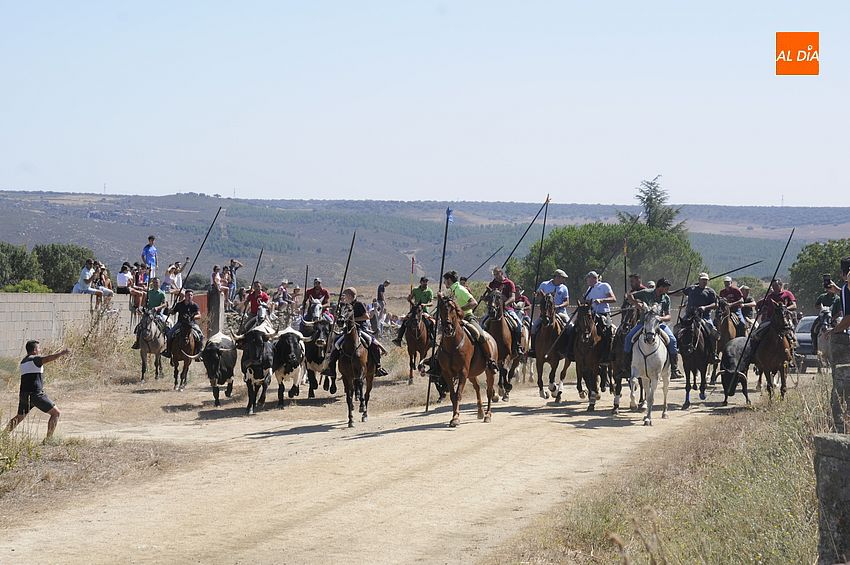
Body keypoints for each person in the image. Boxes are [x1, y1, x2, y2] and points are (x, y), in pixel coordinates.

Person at [5, 340, 69, 444]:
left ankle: (3, 435)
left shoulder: (23, 361)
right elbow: (48, 358)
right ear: (34, 350)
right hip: (36, 394)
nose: (40, 350)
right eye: (39, 348)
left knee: (19, 416)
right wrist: (61, 353)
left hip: (24, 394)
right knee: (56, 413)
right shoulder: (35, 359)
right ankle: (48, 440)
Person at [323, 287, 388, 378]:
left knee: (372, 343)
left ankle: (378, 366)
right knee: (336, 344)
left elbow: (366, 317)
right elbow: (340, 317)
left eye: (346, 295)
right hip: (347, 329)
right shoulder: (344, 305)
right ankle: (331, 369)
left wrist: (353, 320)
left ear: (351, 296)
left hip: (361, 328)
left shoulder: (359, 304)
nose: (345, 297)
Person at [625, 278, 681, 378]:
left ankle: (674, 368)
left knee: (672, 340)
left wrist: (661, 318)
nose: (667, 290)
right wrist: (636, 304)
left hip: (659, 325)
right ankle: (626, 367)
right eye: (666, 288)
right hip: (643, 323)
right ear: (661, 287)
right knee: (628, 338)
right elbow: (629, 295)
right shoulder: (646, 292)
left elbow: (669, 316)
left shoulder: (666, 298)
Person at [671, 272, 719, 360]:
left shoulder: (710, 291)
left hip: (704, 317)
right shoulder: (691, 289)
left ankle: (713, 353)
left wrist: (705, 307)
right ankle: (676, 348)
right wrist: (669, 293)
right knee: (677, 328)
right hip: (689, 316)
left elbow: (716, 305)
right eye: (703, 280)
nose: (705, 281)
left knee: (712, 331)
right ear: (699, 280)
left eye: (706, 280)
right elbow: (681, 293)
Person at [528, 269, 570, 357]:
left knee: (570, 327)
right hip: (546, 313)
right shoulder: (544, 284)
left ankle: (567, 349)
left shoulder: (564, 288)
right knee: (533, 327)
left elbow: (567, 302)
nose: (563, 280)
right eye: (562, 278)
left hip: (560, 312)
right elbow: (538, 294)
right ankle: (533, 349)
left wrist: (558, 306)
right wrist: (535, 295)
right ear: (556, 277)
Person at [482, 267, 523, 354]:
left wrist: (505, 304)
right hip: (494, 310)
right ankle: (482, 347)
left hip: (507, 309)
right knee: (482, 323)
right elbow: (490, 297)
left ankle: (517, 346)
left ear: (501, 273)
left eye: (497, 274)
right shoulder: (492, 283)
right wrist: (485, 298)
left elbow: (512, 297)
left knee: (518, 325)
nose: (495, 276)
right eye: (494, 274)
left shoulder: (509, 283)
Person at [749, 278, 798, 352]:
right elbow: (765, 307)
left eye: (775, 285)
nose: (774, 287)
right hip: (770, 319)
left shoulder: (787, 294)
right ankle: (754, 351)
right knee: (758, 332)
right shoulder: (769, 296)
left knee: (790, 333)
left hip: (784, 319)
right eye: (772, 286)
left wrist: (785, 308)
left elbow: (794, 306)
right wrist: (760, 311)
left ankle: (794, 351)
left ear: (780, 285)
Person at [583, 271, 617, 360]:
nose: (587, 280)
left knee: (608, 331)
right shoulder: (588, 290)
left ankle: (609, 354)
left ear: (594, 278)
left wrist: (601, 300)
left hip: (604, 313)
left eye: (588, 278)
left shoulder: (604, 286)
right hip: (592, 314)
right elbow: (586, 302)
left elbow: (613, 299)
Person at [392, 276, 435, 346]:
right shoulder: (415, 290)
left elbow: (432, 303)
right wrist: (409, 299)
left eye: (426, 282)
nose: (425, 283)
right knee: (405, 321)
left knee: (429, 323)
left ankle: (432, 340)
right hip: (414, 310)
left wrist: (425, 304)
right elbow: (410, 298)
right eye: (424, 282)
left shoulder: (429, 291)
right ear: (420, 282)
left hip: (424, 311)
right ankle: (399, 339)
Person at [162, 289, 203, 357]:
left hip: (191, 324)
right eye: (188, 295)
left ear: (192, 296)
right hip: (180, 323)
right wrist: (169, 310)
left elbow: (199, 315)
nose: (189, 296)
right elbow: (173, 312)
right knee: (169, 334)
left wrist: (192, 317)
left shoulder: (194, 305)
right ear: (185, 296)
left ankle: (198, 353)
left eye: (191, 295)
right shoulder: (179, 304)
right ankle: (168, 351)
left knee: (200, 336)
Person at [131, 277, 169, 349]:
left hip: (157, 313)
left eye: (156, 282)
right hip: (148, 313)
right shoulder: (149, 292)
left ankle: (165, 342)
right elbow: (145, 302)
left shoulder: (162, 293)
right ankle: (137, 342)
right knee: (140, 327)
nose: (155, 284)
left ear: (159, 283)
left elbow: (165, 304)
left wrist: (157, 307)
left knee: (165, 326)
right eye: (154, 282)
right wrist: (142, 308)